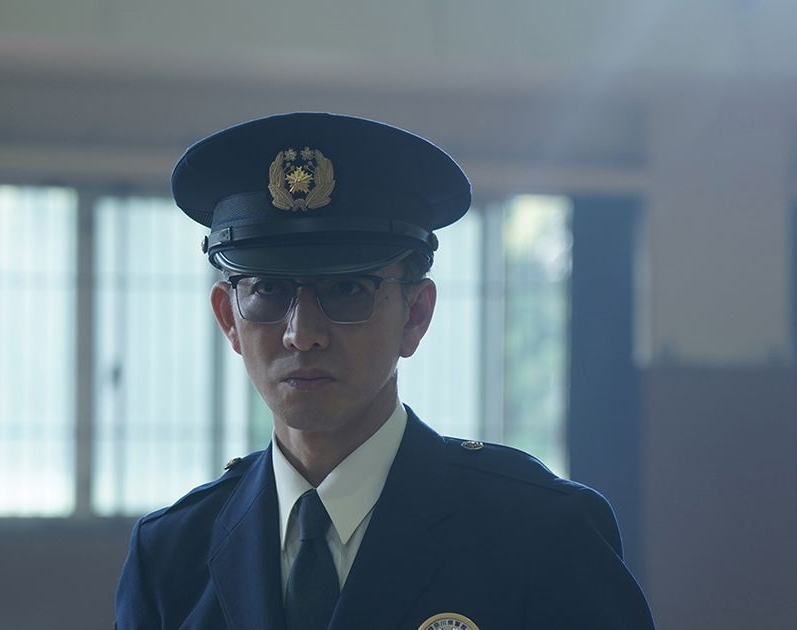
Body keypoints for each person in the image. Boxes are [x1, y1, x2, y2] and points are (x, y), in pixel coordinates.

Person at [115, 112, 654, 630]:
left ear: (415, 316)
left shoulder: (538, 533)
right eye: (268, 290)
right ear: (229, 319)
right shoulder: (171, 555)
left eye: (347, 289)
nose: (302, 333)